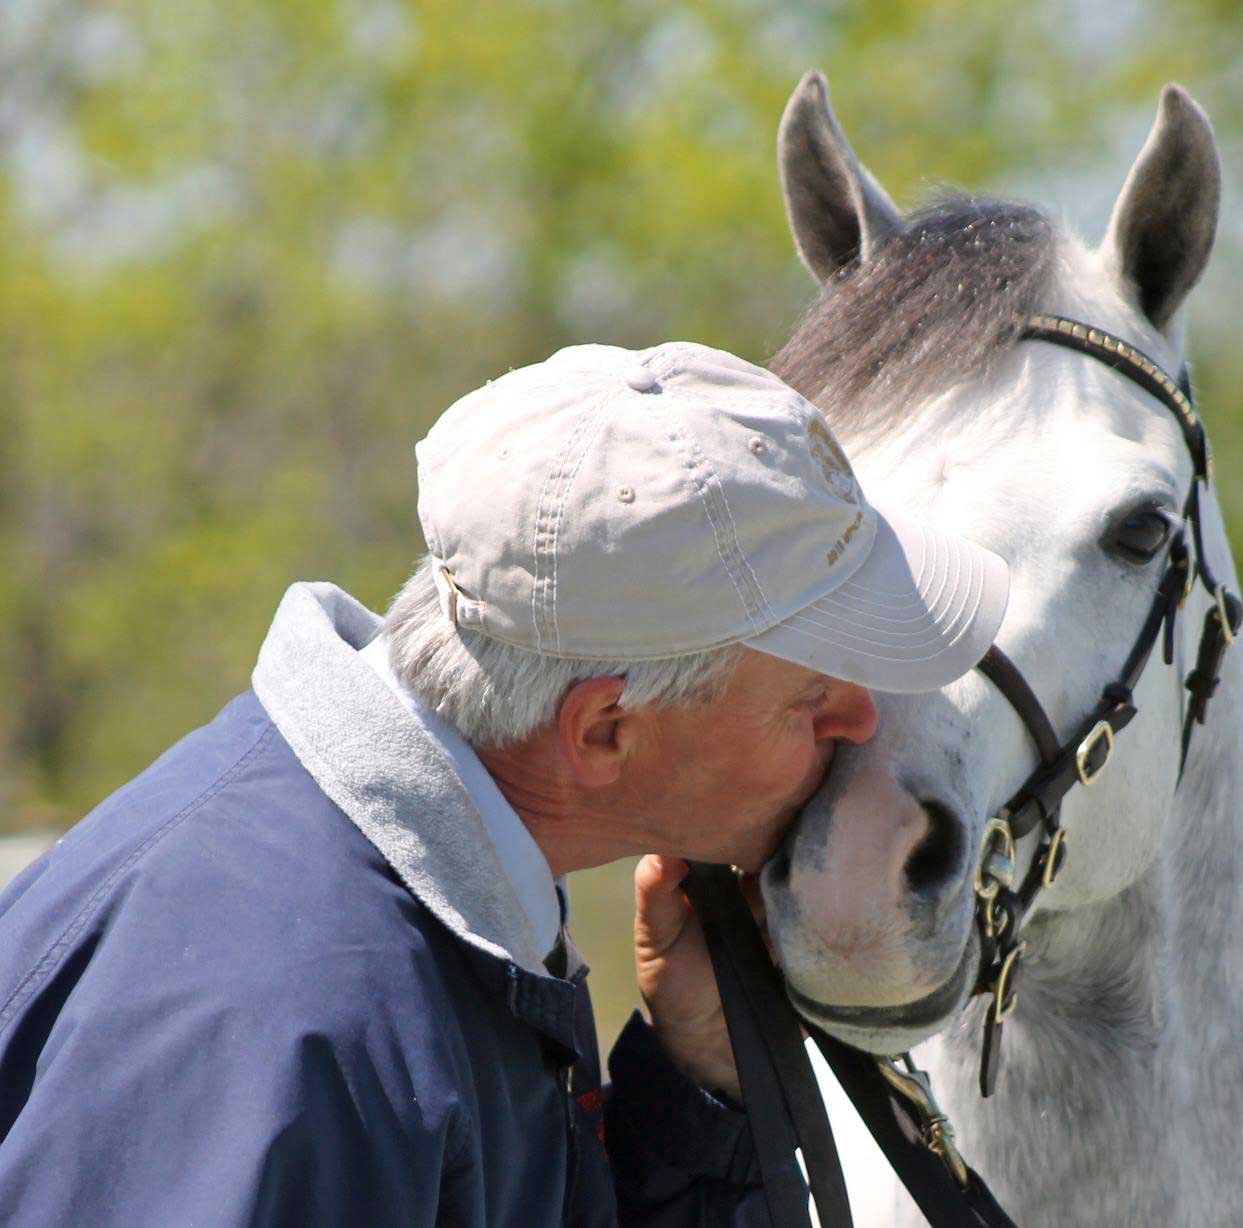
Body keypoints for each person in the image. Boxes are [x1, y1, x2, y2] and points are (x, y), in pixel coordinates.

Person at [0, 342, 1010, 1225]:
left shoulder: (401, 909)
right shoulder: (294, 1034)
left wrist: (696, 1085)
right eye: (812, 693)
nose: (860, 720)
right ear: (606, 732)